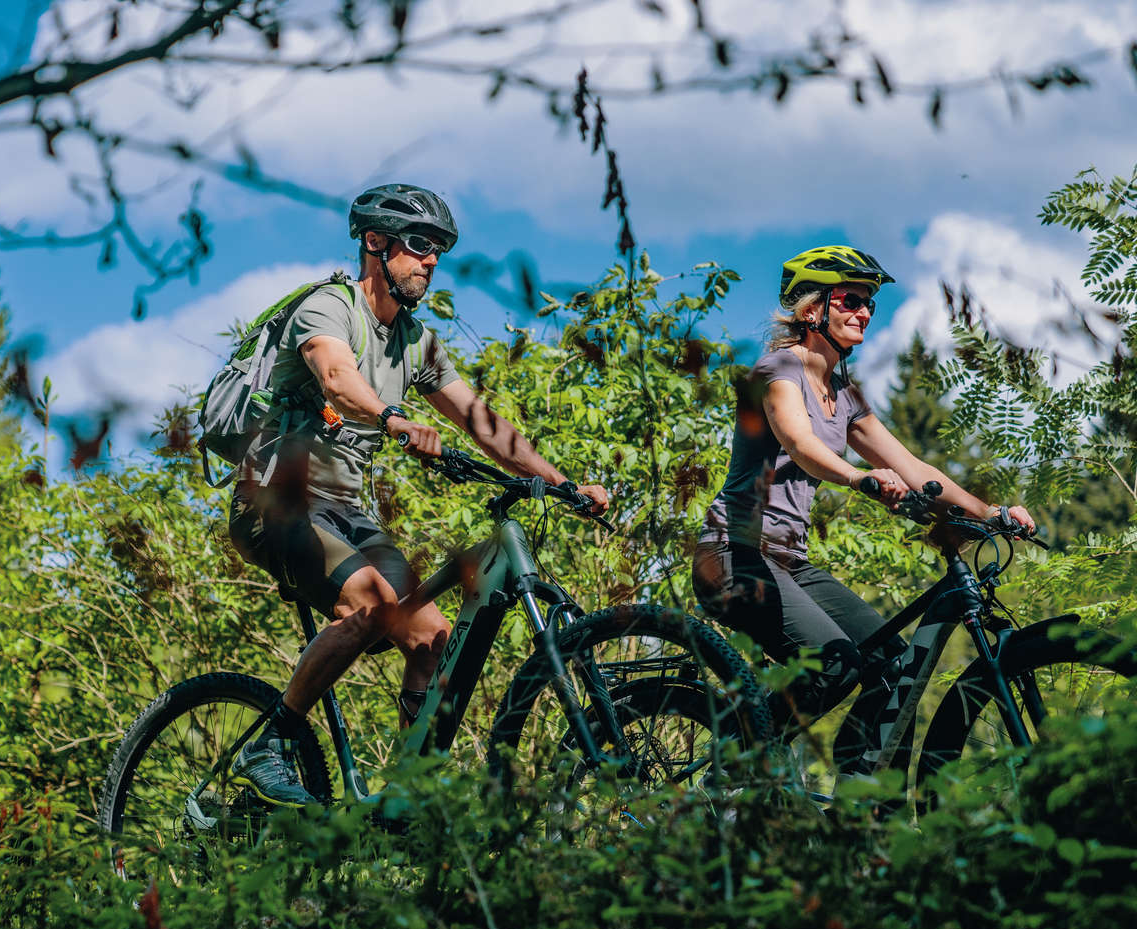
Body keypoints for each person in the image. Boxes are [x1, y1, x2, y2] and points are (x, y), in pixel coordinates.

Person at [228, 182, 610, 806]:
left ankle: (409, 797)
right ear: (374, 244)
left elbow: (484, 425)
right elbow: (336, 377)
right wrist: (392, 418)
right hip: (275, 498)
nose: (431, 260)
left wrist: (562, 483)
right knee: (372, 605)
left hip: (345, 511)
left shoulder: (416, 342)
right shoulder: (329, 309)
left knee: (433, 637)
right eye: (419, 246)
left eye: (439, 250)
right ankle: (270, 742)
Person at [692, 245, 1035, 778]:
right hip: (733, 553)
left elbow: (912, 464)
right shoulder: (776, 369)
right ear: (812, 311)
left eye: (870, 303)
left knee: (890, 662)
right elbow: (799, 441)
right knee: (836, 662)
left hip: (789, 561)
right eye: (852, 299)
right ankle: (735, 763)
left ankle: (857, 807)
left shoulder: (845, 395)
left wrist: (989, 513)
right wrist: (858, 476)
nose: (865, 312)